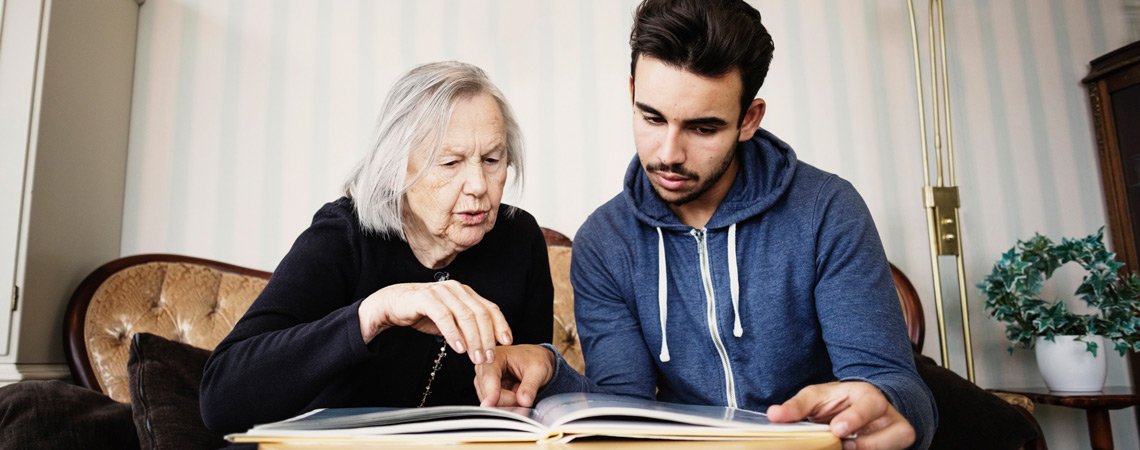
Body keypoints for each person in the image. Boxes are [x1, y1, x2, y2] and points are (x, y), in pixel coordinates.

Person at [473, 1, 937, 449]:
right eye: (651, 117)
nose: (669, 153)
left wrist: (887, 405)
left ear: (749, 119)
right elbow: (621, 410)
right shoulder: (606, 241)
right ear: (632, 92)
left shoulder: (826, 210)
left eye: (702, 128)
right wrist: (552, 371)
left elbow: (895, 385)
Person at [200, 61, 553, 434]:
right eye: (450, 162)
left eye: (492, 160)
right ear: (396, 167)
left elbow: (527, 397)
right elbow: (220, 398)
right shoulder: (344, 235)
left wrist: (541, 365)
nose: (479, 185)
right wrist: (372, 314)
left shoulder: (519, 240)